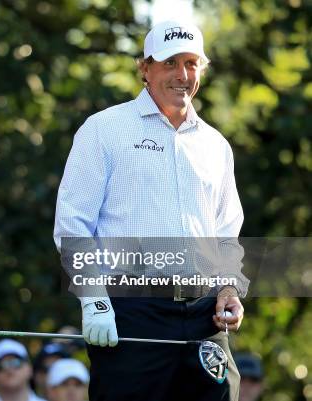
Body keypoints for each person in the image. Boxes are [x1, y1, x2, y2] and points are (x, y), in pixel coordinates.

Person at [53, 19, 247, 401]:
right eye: (170, 63)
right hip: (131, 309)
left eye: (192, 64)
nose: (182, 75)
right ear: (145, 67)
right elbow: (73, 225)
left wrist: (229, 287)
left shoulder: (215, 145)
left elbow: (227, 233)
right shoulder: (104, 129)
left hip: (204, 314)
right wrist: (94, 298)